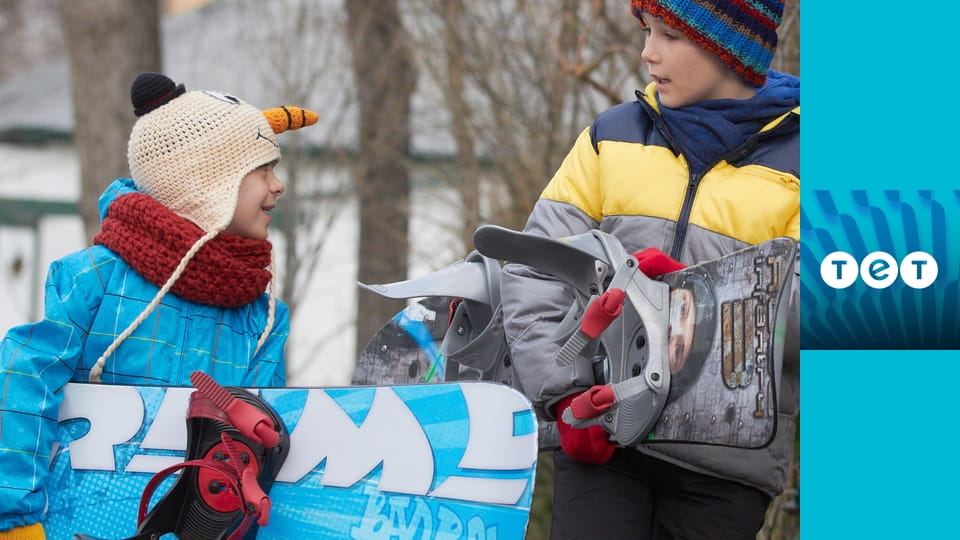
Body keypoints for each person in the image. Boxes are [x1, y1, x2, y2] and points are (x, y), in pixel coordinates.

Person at [499, 1, 799, 538]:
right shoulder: (609, 137)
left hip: (724, 462)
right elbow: (534, 269)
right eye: (646, 32)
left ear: (729, 48)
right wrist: (564, 398)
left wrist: (697, 298)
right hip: (603, 438)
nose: (647, 52)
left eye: (669, 35)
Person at [0, 72, 317, 539]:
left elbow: (261, 445)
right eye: (263, 169)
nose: (278, 185)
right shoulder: (94, 280)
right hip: (73, 524)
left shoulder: (262, 317)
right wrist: (14, 516)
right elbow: (22, 381)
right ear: (207, 181)